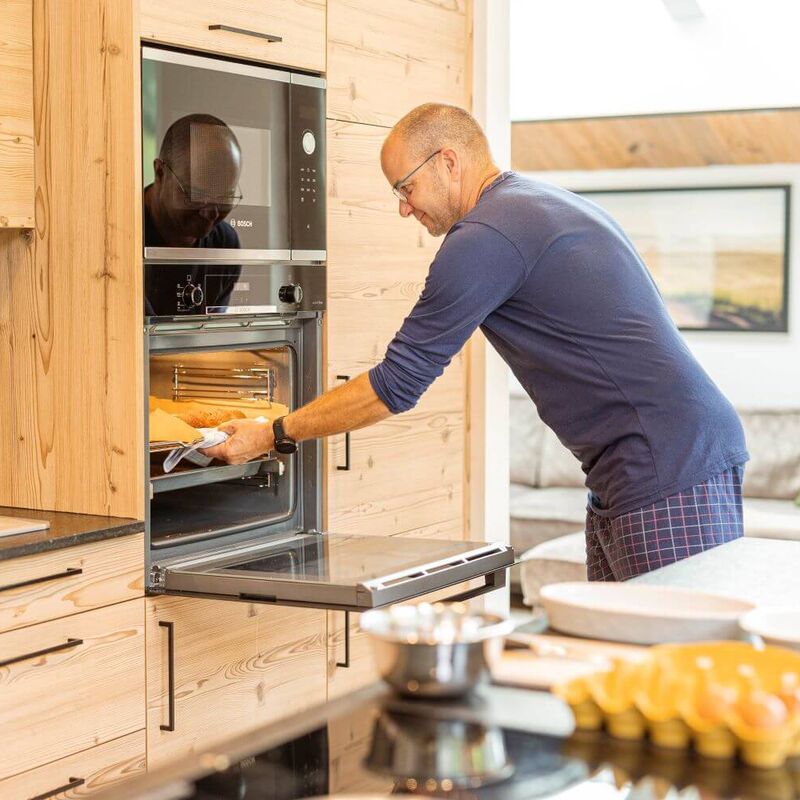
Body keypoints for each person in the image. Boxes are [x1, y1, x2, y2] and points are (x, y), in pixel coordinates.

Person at [202, 103, 749, 581]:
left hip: (663, 465)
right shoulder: (539, 203)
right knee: (621, 663)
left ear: (448, 161)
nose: (403, 208)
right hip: (657, 458)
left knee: (671, 671)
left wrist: (273, 433)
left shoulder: (485, 238)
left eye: (404, 188)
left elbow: (395, 386)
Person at [144, 113, 242, 316]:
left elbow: (207, 341)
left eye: (226, 197)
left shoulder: (225, 246)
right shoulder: (120, 234)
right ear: (160, 172)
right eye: (197, 195)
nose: (211, 213)